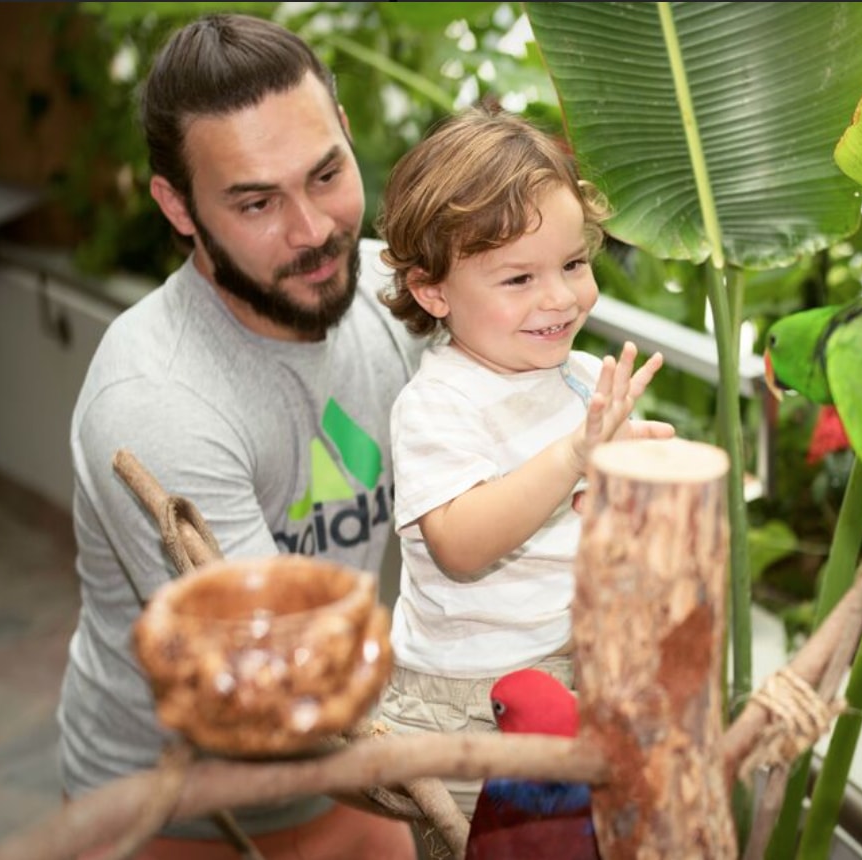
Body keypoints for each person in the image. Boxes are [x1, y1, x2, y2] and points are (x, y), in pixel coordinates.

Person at [58, 13, 421, 859]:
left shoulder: (391, 296)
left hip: (351, 763)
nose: (313, 230)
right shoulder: (156, 402)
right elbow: (276, 684)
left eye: (326, 174)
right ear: (178, 208)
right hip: (175, 810)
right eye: (257, 202)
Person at [373, 106, 674, 848]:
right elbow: (461, 543)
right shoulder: (438, 404)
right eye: (519, 278)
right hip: (470, 702)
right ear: (434, 291)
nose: (561, 298)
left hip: (574, 669)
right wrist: (573, 457)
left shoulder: (577, 377)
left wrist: (631, 472)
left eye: (573, 264)